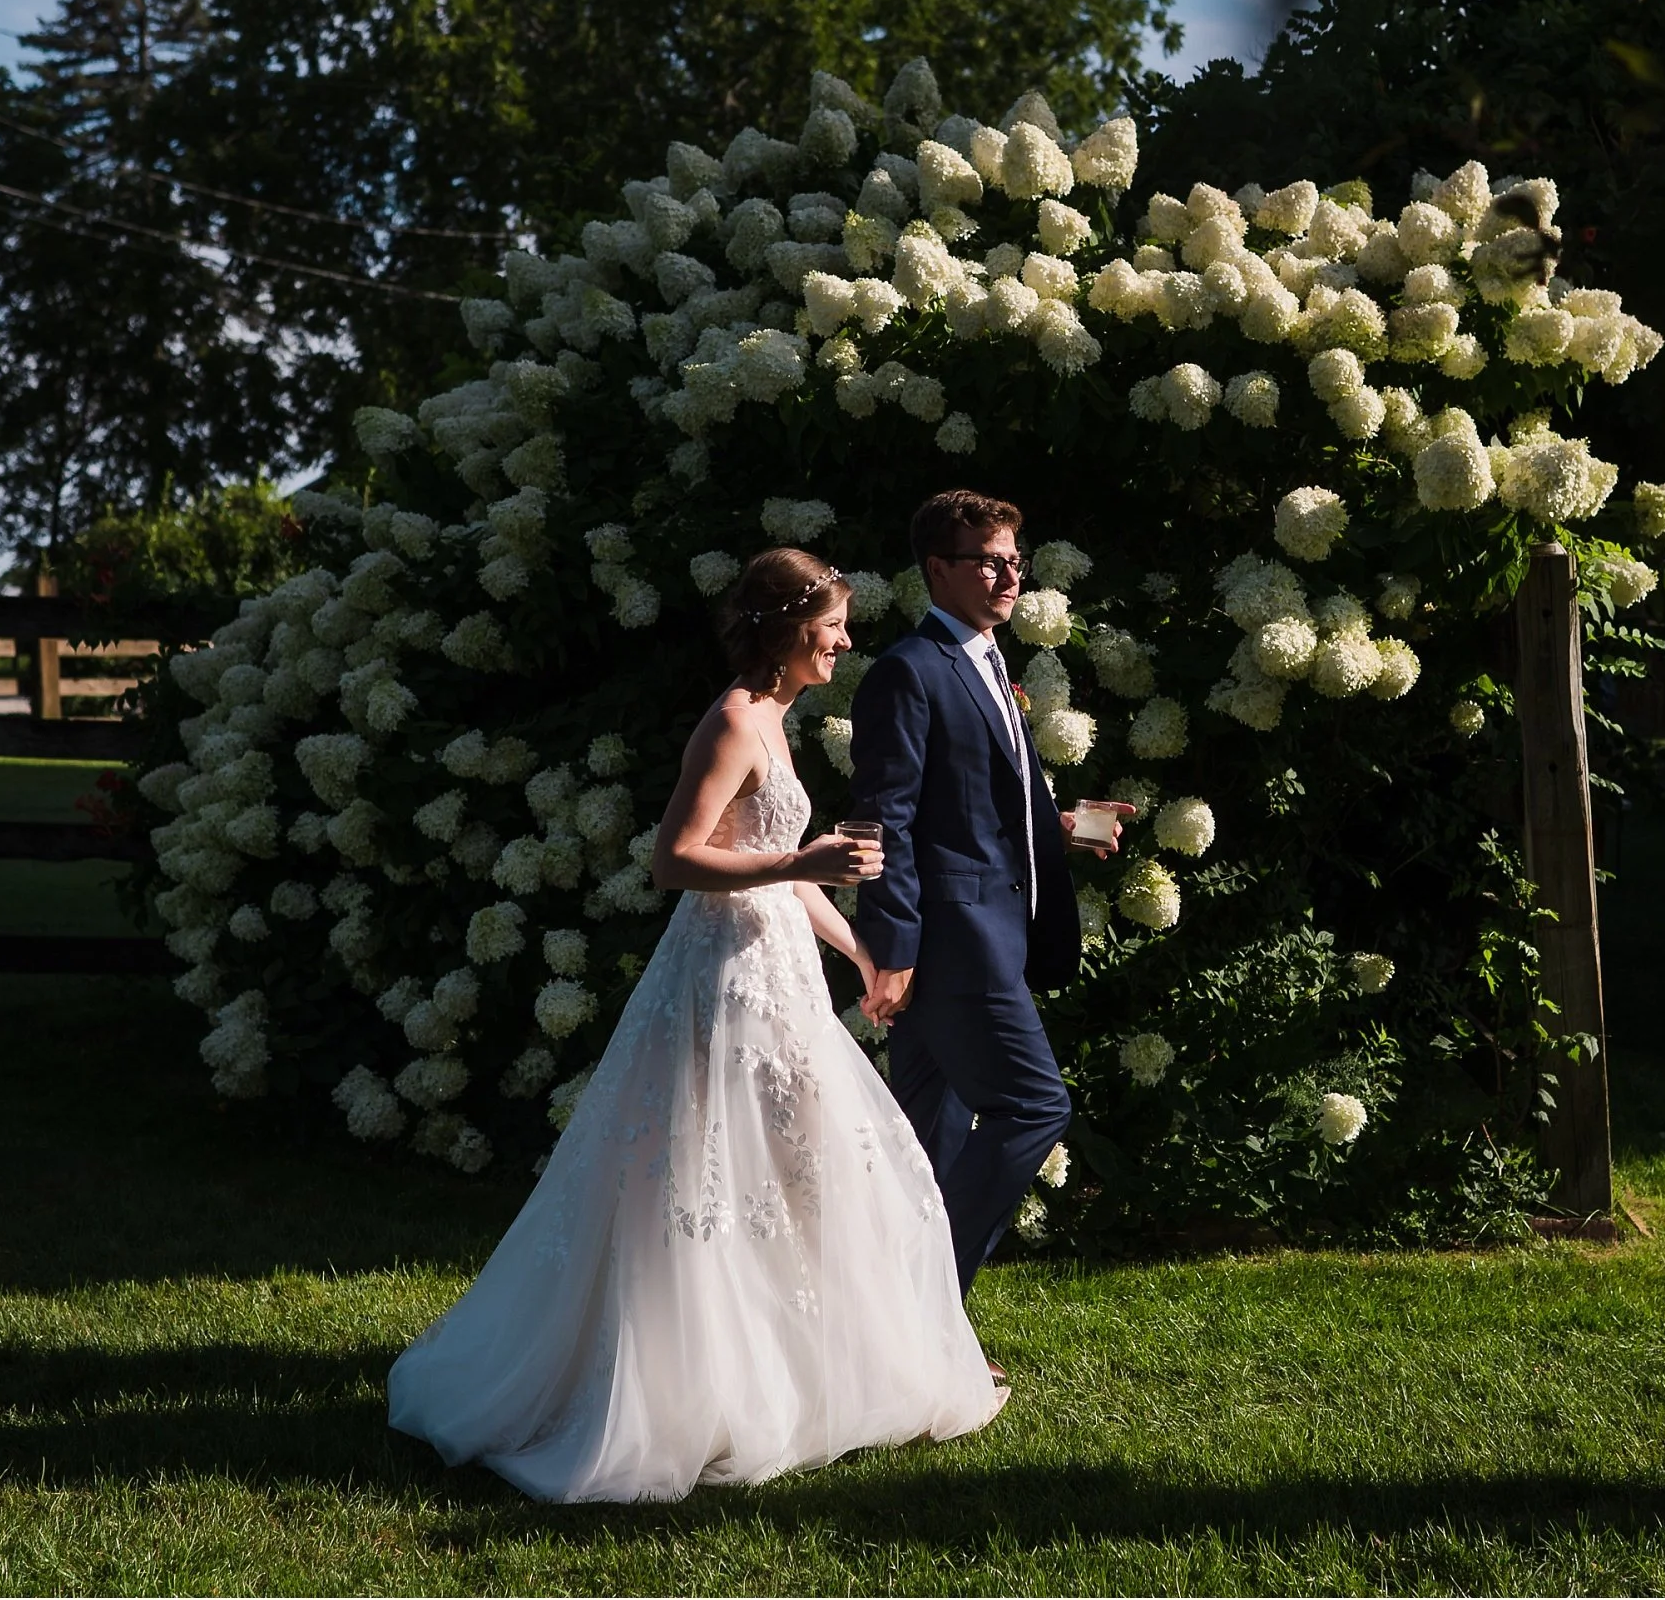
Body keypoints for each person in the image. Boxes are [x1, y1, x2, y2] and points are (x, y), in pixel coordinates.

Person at [387, 547, 1006, 1503]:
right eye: (832, 627)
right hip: (725, 980)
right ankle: (690, 1384)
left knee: (799, 1169)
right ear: (786, 630)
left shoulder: (776, 718)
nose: (845, 642)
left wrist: (859, 950)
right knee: (715, 1171)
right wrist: (801, 862)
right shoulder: (732, 721)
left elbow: (778, 859)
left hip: (781, 971)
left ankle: (797, 1369)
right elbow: (674, 860)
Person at [848, 489, 1131, 1321]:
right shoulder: (909, 670)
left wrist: (1062, 828)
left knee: (925, 1143)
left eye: (1015, 560)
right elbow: (887, 821)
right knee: (1035, 1105)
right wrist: (894, 948)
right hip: (954, 946)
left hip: (994, 934)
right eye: (989, 561)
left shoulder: (986, 661)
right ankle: (925, 1305)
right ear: (938, 569)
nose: (1010, 576)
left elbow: (973, 804)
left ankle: (891, 1335)